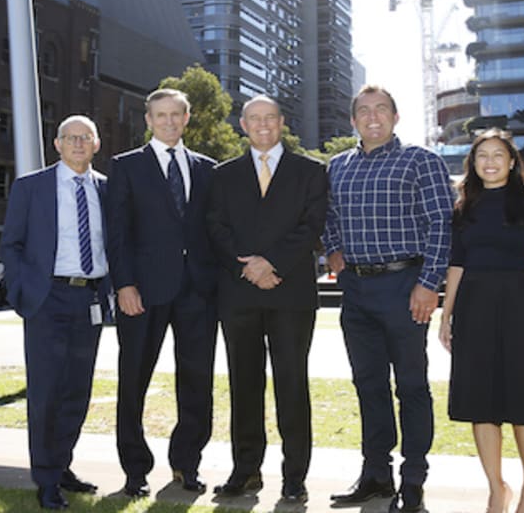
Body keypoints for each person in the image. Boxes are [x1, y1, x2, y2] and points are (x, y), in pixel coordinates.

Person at [323, 85, 453, 513]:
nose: (372, 117)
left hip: (406, 286)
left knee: (412, 387)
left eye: (381, 109)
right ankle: (376, 474)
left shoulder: (421, 161)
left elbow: (441, 225)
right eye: (363, 110)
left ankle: (412, 481)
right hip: (356, 291)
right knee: (368, 385)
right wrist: (333, 248)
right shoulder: (336, 167)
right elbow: (328, 218)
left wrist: (429, 283)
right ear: (353, 120)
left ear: (396, 117)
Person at [206, 95, 329, 503]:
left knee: (292, 385)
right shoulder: (223, 175)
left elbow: (312, 226)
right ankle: (246, 470)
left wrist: (271, 263)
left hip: (291, 293)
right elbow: (216, 228)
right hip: (239, 294)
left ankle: (295, 475)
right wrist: (248, 268)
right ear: (243, 124)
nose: (263, 125)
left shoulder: (311, 171)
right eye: (254, 119)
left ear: (281, 123)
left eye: (270, 118)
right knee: (244, 385)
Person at [106, 88, 219, 497]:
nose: (169, 121)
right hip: (143, 291)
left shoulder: (207, 168)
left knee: (197, 381)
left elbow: (214, 229)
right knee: (133, 380)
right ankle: (135, 470)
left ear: (186, 119)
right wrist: (124, 284)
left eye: (176, 114)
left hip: (198, 293)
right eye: (161, 115)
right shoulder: (126, 167)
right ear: (148, 120)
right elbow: (116, 234)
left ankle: (186, 464)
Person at [439, 129, 524, 513]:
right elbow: (455, 264)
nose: (489, 162)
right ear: (472, 164)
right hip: (472, 308)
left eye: (497, 155)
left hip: (517, 306)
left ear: (511, 161)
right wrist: (446, 315)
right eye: (481, 156)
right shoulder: (463, 208)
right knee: (480, 402)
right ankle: (496, 489)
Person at [0, 115, 110, 510]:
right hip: (48, 299)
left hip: (90, 301)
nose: (78, 143)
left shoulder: (108, 190)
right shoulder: (32, 187)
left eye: (86, 137)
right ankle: (45, 479)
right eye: (70, 138)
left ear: (97, 145)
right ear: (57, 144)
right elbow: (11, 244)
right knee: (45, 392)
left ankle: (62, 465)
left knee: (76, 392)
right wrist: (23, 290)